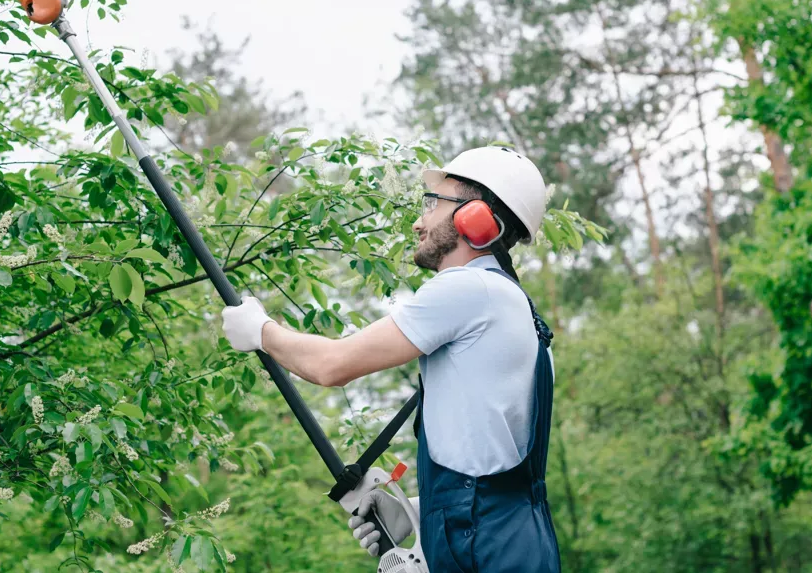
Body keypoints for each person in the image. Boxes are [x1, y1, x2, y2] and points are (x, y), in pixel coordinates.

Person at [221, 146, 562, 573]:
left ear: (473, 216)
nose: (419, 221)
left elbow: (332, 365)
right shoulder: (522, 314)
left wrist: (260, 331)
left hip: (485, 548)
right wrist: (419, 512)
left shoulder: (470, 288)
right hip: (513, 541)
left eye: (433, 204)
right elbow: (492, 462)